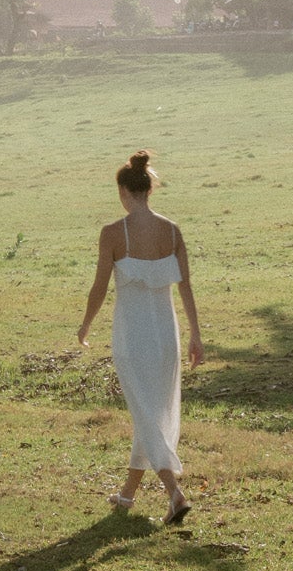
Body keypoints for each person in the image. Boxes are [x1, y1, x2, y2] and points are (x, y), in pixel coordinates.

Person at [77, 149, 203, 523]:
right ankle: (128, 496)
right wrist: (196, 334)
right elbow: (187, 288)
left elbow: (99, 287)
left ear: (124, 191)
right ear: (150, 190)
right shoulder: (172, 230)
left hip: (132, 335)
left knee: (146, 413)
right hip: (167, 335)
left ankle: (175, 493)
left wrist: (85, 325)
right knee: (149, 413)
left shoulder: (113, 233)